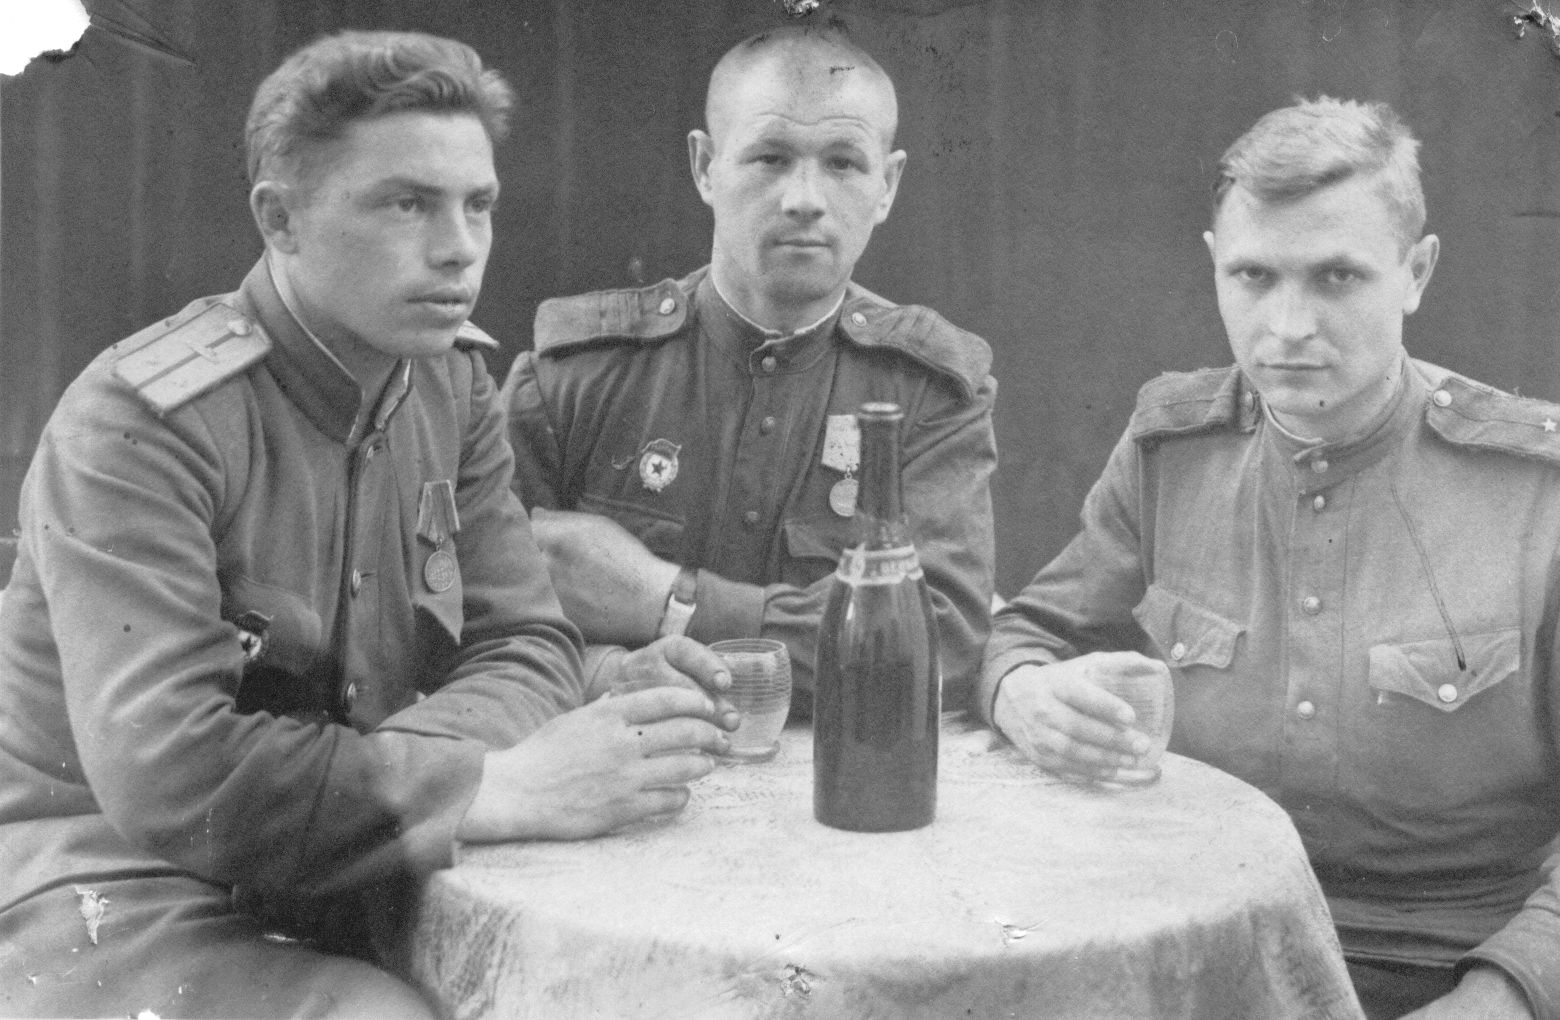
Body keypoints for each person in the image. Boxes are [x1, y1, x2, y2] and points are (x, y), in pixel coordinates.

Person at [0, 30, 737, 1019]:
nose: (460, 247)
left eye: (478, 205)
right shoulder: (143, 424)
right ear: (281, 219)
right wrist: (491, 787)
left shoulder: (448, 384)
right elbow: (168, 773)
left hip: (345, 860)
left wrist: (440, 773)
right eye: (407, 204)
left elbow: (528, 643)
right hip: (115, 886)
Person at [980, 96, 1559, 1020]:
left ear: (1415, 273)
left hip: (1444, 965)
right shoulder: (1173, 449)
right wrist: (1022, 692)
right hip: (1191, 943)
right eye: (1253, 276)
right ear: (1215, 264)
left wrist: (1506, 995)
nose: (1288, 325)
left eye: (1337, 277)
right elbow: (1026, 631)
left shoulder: (1535, 492)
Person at [502, 24, 997, 711]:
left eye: (843, 163)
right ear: (706, 166)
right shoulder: (574, 378)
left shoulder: (928, 394)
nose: (804, 198)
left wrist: (669, 602)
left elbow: (942, 644)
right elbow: (472, 613)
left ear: (887, 185)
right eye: (770, 157)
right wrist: (600, 674)